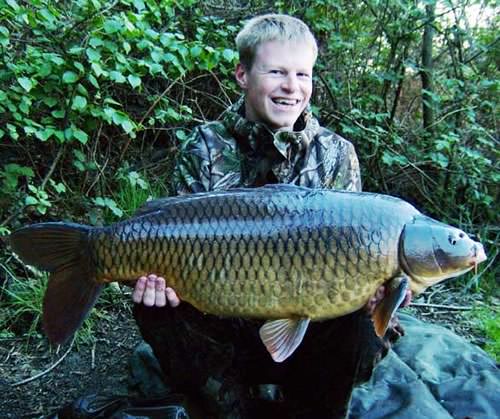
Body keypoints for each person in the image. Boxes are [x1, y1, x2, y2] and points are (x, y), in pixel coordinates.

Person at [131, 14, 394, 419]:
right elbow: (173, 240)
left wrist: (378, 289)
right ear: (242, 75)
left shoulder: (336, 155)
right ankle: (227, 406)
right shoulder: (204, 148)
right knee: (155, 305)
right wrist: (157, 282)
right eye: (276, 72)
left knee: (361, 322)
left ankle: (309, 407)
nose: (292, 87)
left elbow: (355, 254)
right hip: (222, 329)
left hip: (307, 331)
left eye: (303, 74)